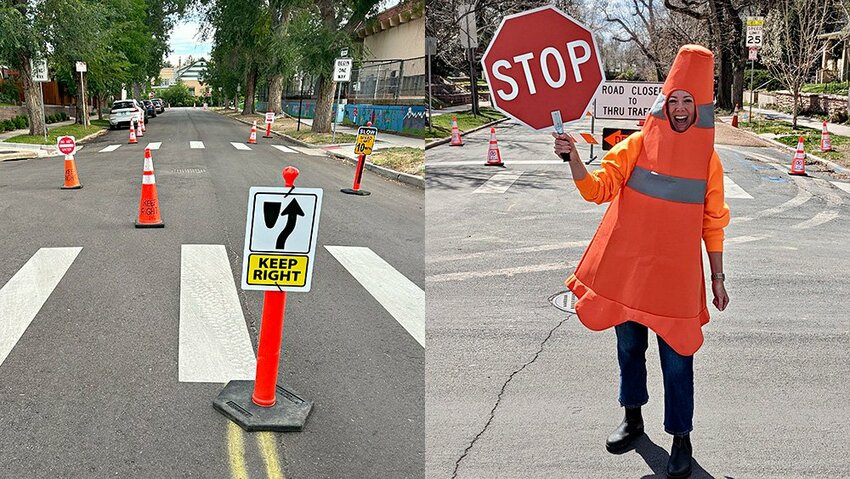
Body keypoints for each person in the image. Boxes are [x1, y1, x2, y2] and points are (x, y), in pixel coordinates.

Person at [552, 45, 730, 479]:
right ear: (664, 103)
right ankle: (633, 419)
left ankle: (681, 438)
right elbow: (598, 189)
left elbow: (713, 222)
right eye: (675, 100)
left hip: (676, 279)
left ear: (701, 109)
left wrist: (718, 277)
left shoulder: (709, 161)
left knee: (678, 359)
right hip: (629, 272)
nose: (682, 108)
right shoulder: (635, 144)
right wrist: (573, 156)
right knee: (630, 348)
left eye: (690, 101)